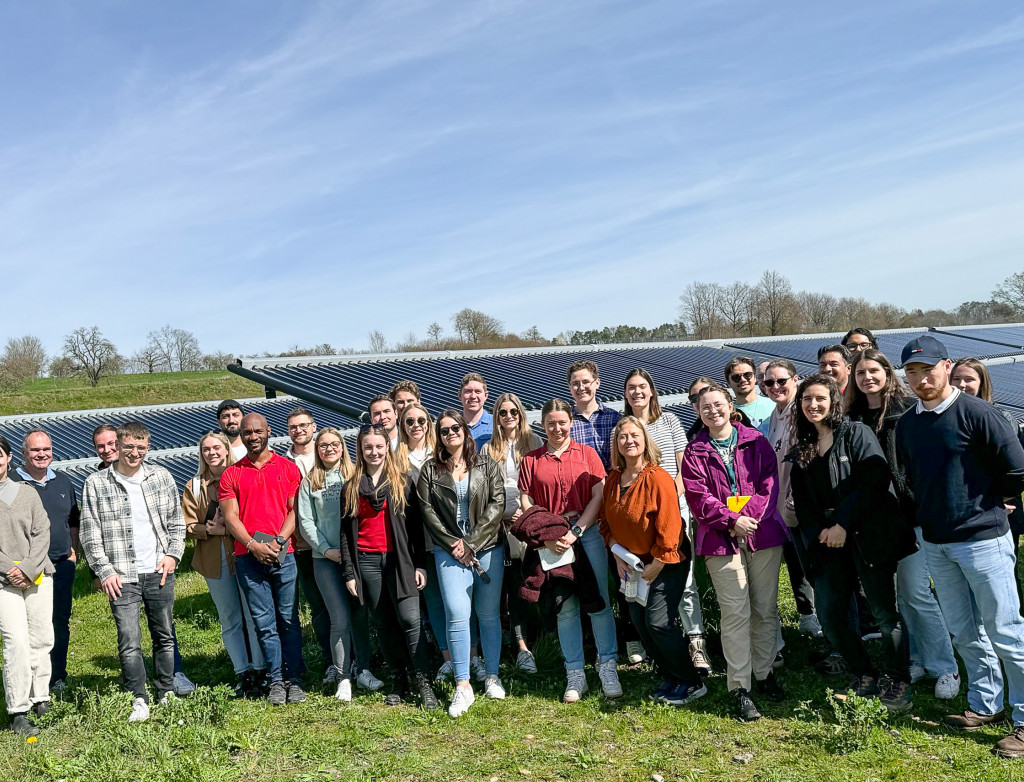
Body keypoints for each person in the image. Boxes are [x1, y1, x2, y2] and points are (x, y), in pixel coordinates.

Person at [897, 336, 1024, 758]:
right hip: (937, 543)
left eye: (927, 369)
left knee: (1006, 631)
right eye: (912, 372)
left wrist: (992, 503)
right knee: (966, 632)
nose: (920, 379)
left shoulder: (977, 412)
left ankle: (1023, 718)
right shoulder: (909, 423)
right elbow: (909, 476)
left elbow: (1017, 468)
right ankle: (985, 704)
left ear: (947, 366)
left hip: (983, 540)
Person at [788, 374, 917, 712]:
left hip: (866, 535)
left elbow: (874, 479)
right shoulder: (803, 447)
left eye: (819, 398)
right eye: (806, 400)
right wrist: (823, 531)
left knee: (883, 612)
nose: (813, 405)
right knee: (830, 613)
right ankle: (864, 674)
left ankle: (897, 679)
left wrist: (843, 522)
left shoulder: (856, 433)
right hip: (826, 541)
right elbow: (802, 501)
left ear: (833, 401)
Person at [846, 349, 960, 699]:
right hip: (871, 522)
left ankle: (945, 666)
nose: (867, 377)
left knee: (915, 592)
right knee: (895, 599)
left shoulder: (908, 411)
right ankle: (915, 659)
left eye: (874, 370)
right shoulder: (851, 417)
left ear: (887, 373)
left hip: (908, 517)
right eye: (860, 372)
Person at [681, 386, 788, 722]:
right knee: (735, 613)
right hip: (719, 541)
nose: (713, 411)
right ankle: (739, 687)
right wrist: (731, 521)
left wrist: (748, 519)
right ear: (698, 412)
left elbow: (769, 484)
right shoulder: (694, 451)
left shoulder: (756, 441)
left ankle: (764, 672)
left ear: (731, 406)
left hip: (762, 533)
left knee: (765, 609)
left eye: (718, 405)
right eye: (705, 407)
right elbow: (698, 498)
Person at [81, 422, 185, 723]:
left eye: (140, 448)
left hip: (158, 569)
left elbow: (176, 523)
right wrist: (104, 570)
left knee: (164, 635)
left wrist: (172, 555)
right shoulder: (97, 483)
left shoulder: (161, 477)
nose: (134, 453)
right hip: (121, 575)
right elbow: (90, 533)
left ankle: (165, 689)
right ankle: (138, 697)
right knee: (129, 640)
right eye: (128, 447)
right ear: (118, 446)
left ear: (148, 447)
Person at [519, 398, 622, 702]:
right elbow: (526, 500)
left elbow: (598, 495)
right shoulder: (532, 460)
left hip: (585, 533)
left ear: (571, 423)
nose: (557, 428)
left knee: (599, 600)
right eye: (551, 422)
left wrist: (577, 531)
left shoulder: (587, 454)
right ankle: (575, 673)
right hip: (551, 540)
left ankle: (608, 666)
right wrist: (545, 534)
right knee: (566, 605)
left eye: (562, 422)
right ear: (542, 424)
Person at [600, 417, 708, 707]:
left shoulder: (657, 477)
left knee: (659, 621)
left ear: (645, 440)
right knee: (639, 621)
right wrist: (615, 553)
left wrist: (658, 564)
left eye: (635, 435)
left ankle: (691, 681)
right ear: (616, 444)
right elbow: (606, 524)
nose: (629, 441)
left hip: (667, 558)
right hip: (631, 563)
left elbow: (672, 526)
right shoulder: (613, 480)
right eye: (622, 437)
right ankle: (670, 675)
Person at [339, 425, 440, 710]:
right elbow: (345, 533)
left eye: (379, 446)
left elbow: (416, 529)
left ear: (388, 447)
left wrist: (420, 564)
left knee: (410, 620)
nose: (374, 452)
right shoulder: (351, 487)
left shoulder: (404, 481)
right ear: (360, 449)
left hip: (400, 560)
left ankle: (424, 682)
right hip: (367, 562)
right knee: (383, 624)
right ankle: (399, 680)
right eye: (368, 447)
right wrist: (350, 572)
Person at [418, 410, 506, 718]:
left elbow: (497, 506)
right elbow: (428, 513)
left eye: (456, 428)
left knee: (488, 614)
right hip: (448, 551)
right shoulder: (430, 470)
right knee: (457, 613)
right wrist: (455, 545)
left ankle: (492, 675)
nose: (451, 433)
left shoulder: (487, 464)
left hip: (487, 548)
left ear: (465, 431)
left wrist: (472, 543)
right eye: (444, 431)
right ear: (438, 436)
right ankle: (463, 685)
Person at [623, 369, 710, 674]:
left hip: (674, 506)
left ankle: (695, 641)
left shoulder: (670, 421)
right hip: (638, 517)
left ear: (652, 391)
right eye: (631, 388)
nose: (637, 392)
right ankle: (661, 642)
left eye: (642, 387)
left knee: (682, 579)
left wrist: (668, 502)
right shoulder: (626, 428)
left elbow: (683, 466)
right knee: (644, 577)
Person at [219, 413, 307, 706]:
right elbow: (230, 517)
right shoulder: (231, 474)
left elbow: (295, 511)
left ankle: (295, 678)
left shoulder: (289, 468)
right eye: (247, 432)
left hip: (285, 555)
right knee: (264, 623)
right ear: (241, 435)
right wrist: (252, 545)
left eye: (258, 430)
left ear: (269, 431)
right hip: (248, 558)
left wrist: (280, 540)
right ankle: (276, 679)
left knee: (288, 619)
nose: (253, 436)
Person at [181, 432, 267, 697]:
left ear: (226, 448)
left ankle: (261, 669)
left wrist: (227, 528)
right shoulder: (194, 486)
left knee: (253, 614)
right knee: (230, 617)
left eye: (216, 447)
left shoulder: (243, 475)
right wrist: (210, 530)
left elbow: (254, 515)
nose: (212, 453)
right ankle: (242, 671)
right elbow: (186, 526)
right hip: (214, 559)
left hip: (244, 552)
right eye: (206, 449)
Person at [297, 427, 370, 702]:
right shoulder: (309, 482)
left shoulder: (355, 476)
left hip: (357, 558)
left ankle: (364, 668)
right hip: (325, 560)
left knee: (360, 615)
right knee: (339, 618)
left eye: (334, 444)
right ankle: (343, 677)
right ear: (317, 450)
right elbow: (306, 523)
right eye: (324, 445)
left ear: (343, 446)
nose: (329, 449)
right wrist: (327, 551)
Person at [12, 430, 79, 694]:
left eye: (46, 449)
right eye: (35, 450)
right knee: (28, 626)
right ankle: (30, 679)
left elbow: (73, 519)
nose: (42, 455)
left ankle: (56, 676)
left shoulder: (63, 482)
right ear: (23, 453)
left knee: (59, 621)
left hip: (61, 565)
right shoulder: (12, 484)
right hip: (27, 568)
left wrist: (73, 550)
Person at [759, 360, 821, 639]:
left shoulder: (803, 412)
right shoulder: (774, 416)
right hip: (783, 510)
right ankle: (812, 617)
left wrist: (795, 503)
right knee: (800, 566)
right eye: (769, 382)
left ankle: (834, 631)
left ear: (796, 380)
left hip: (804, 508)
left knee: (818, 569)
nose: (775, 387)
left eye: (781, 381)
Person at [485, 392, 543, 674]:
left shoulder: (535, 443)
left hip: (528, 525)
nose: (509, 417)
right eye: (503, 412)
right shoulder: (487, 449)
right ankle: (510, 645)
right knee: (504, 588)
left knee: (526, 585)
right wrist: (501, 519)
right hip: (500, 527)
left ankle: (529, 644)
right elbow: (483, 493)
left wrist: (528, 515)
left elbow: (540, 486)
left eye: (513, 412)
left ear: (521, 414)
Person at [0, 435, 54, 737]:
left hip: (38, 576)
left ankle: (40, 698)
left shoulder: (28, 493)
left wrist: (29, 569)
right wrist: (12, 570)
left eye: (0, 454)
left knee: (41, 638)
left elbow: (41, 532)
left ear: (8, 458)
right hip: (4, 582)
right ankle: (18, 709)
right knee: (16, 642)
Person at [951, 358, 1024, 565]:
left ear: (982, 383)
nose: (961, 384)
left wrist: (999, 499)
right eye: (956, 379)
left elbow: (1012, 467)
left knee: (1001, 574)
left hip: (1000, 509)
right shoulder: (946, 417)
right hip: (966, 512)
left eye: (969, 379)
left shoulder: (999, 417)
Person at [283, 407, 334, 681]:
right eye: (293, 426)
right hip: (303, 547)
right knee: (318, 606)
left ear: (313, 427)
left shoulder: (330, 452)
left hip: (337, 544)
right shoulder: (283, 464)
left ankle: (358, 658)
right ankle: (331, 661)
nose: (299, 430)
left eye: (304, 425)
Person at [567, 360, 620, 470]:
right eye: (575, 383)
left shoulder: (615, 419)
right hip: (578, 485)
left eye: (586, 382)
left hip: (612, 484)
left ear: (597, 383)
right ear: (570, 387)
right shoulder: (565, 423)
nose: (581, 388)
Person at [725, 357, 775, 429]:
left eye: (747, 375)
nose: (743, 380)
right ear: (728, 383)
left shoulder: (774, 405)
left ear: (755, 378)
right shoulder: (728, 413)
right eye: (736, 377)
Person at [396, 402, 434, 480]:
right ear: (403, 425)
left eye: (421, 420)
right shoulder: (396, 457)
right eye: (410, 421)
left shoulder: (438, 453)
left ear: (428, 423)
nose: (416, 425)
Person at [459, 373, 493, 449]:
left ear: (486, 396)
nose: (473, 396)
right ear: (460, 395)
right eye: (468, 391)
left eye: (478, 392)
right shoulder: (451, 425)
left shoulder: (497, 424)